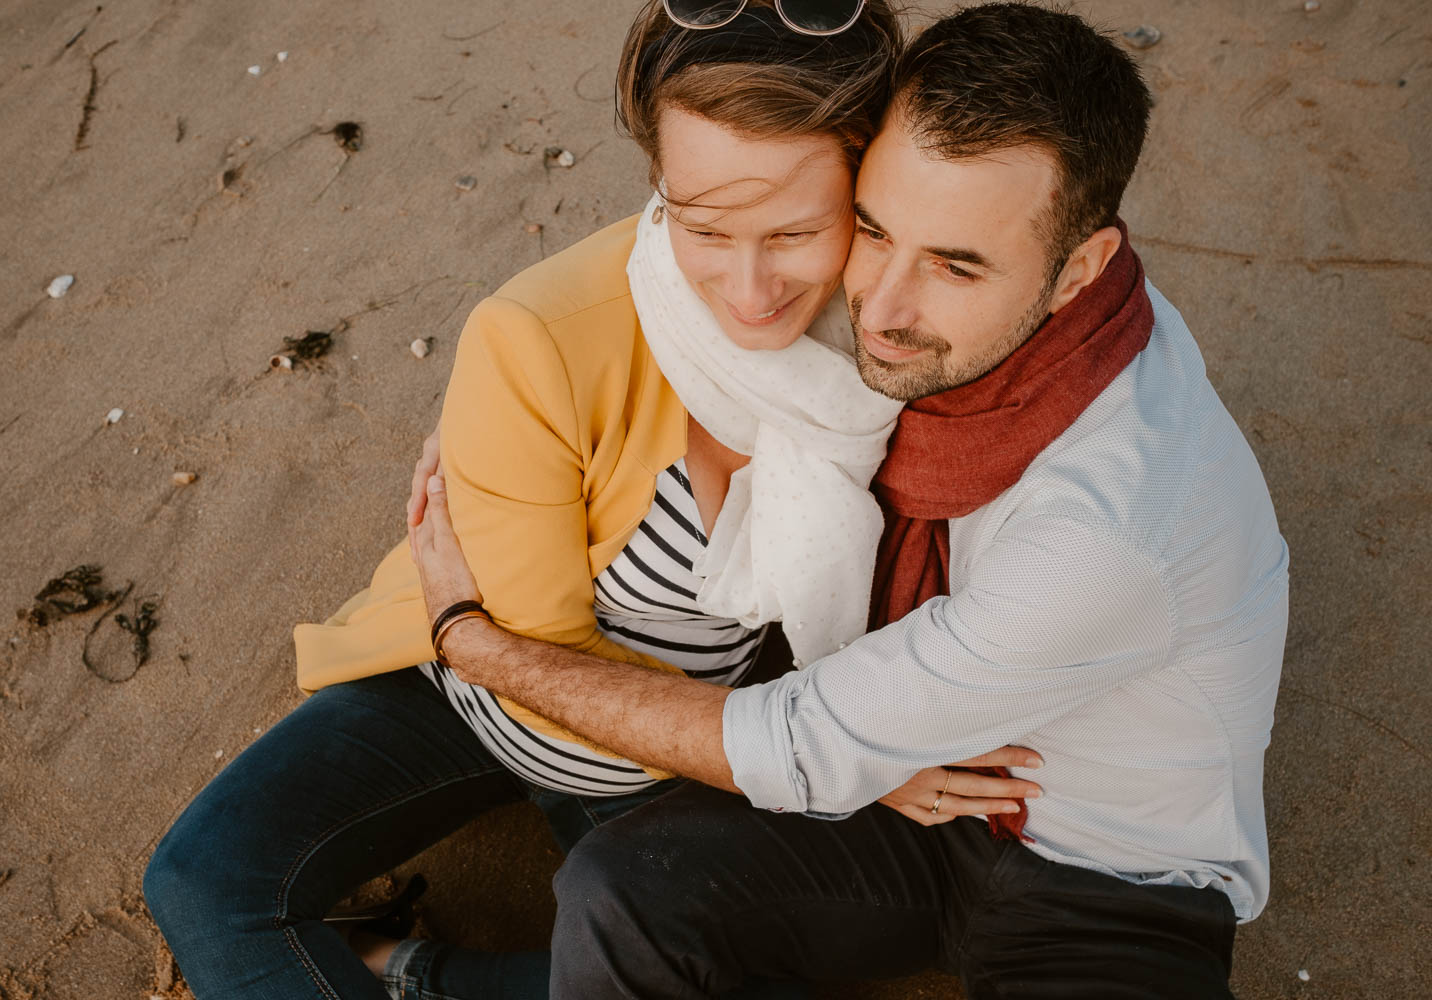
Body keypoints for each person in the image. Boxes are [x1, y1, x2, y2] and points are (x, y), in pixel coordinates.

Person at [143, 4, 1039, 999]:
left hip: (686, 748)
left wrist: (853, 747)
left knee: (692, 957)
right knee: (198, 879)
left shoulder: (903, 339)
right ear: (660, 187)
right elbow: (536, 670)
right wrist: (833, 762)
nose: (747, 291)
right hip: (484, 694)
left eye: (797, 232)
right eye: (702, 228)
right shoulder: (538, 337)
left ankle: (418, 972)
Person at [409, 4, 1290, 998]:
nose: (879, 306)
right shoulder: (957, 329)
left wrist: (472, 639)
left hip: (1103, 881)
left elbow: (799, 746)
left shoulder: (1107, 529)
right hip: (907, 811)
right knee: (621, 892)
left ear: (1076, 269)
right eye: (872, 229)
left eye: (955, 265)